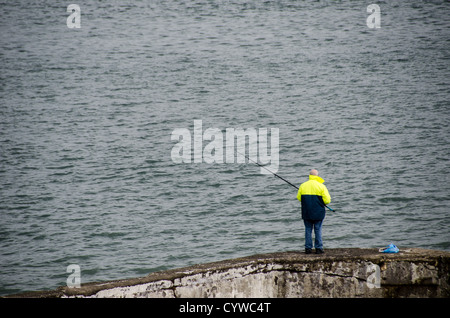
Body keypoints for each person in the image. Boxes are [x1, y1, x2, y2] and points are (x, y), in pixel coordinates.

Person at [297, 169, 331, 254]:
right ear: (317, 176)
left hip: (307, 212)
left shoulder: (303, 185)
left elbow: (299, 198)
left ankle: (308, 248)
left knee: (308, 229)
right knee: (318, 229)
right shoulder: (321, 186)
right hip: (318, 212)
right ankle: (319, 248)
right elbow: (327, 201)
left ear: (309, 176)